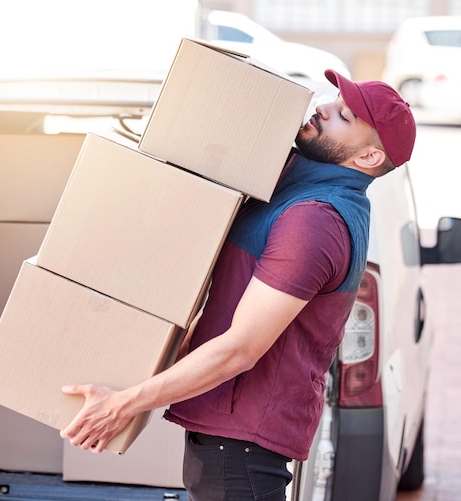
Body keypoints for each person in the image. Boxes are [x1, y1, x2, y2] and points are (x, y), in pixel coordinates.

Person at [59, 69, 417, 500]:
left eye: (342, 115)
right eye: (331, 100)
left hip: (241, 454)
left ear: (368, 158)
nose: (321, 108)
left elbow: (241, 348)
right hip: (228, 443)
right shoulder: (290, 190)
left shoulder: (316, 219)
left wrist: (124, 403)